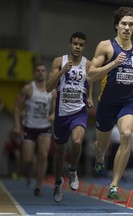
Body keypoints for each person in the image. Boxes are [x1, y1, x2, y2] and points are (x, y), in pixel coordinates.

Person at [88, 6, 133, 200]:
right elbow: (90, 76)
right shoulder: (105, 46)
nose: (127, 28)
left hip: (128, 102)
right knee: (102, 147)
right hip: (106, 104)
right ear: (116, 25)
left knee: (127, 134)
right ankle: (99, 158)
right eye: (124, 24)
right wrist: (114, 63)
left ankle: (113, 185)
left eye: (131, 24)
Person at [46, 32, 94, 202]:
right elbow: (48, 87)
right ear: (70, 44)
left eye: (81, 44)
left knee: (76, 142)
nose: (77, 47)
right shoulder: (59, 62)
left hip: (79, 111)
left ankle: (73, 169)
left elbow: (91, 81)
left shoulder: (87, 64)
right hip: (61, 113)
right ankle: (58, 181)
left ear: (84, 46)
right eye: (75, 43)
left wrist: (89, 97)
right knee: (59, 152)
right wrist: (61, 72)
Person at [13, 63, 56, 196]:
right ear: (34, 73)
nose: (40, 73)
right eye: (38, 70)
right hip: (29, 127)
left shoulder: (52, 90)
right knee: (27, 159)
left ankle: (38, 186)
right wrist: (17, 124)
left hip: (44, 127)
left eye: (43, 70)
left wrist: (53, 115)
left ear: (46, 73)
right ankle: (29, 174)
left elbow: (55, 109)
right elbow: (16, 107)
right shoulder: (28, 88)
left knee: (44, 156)